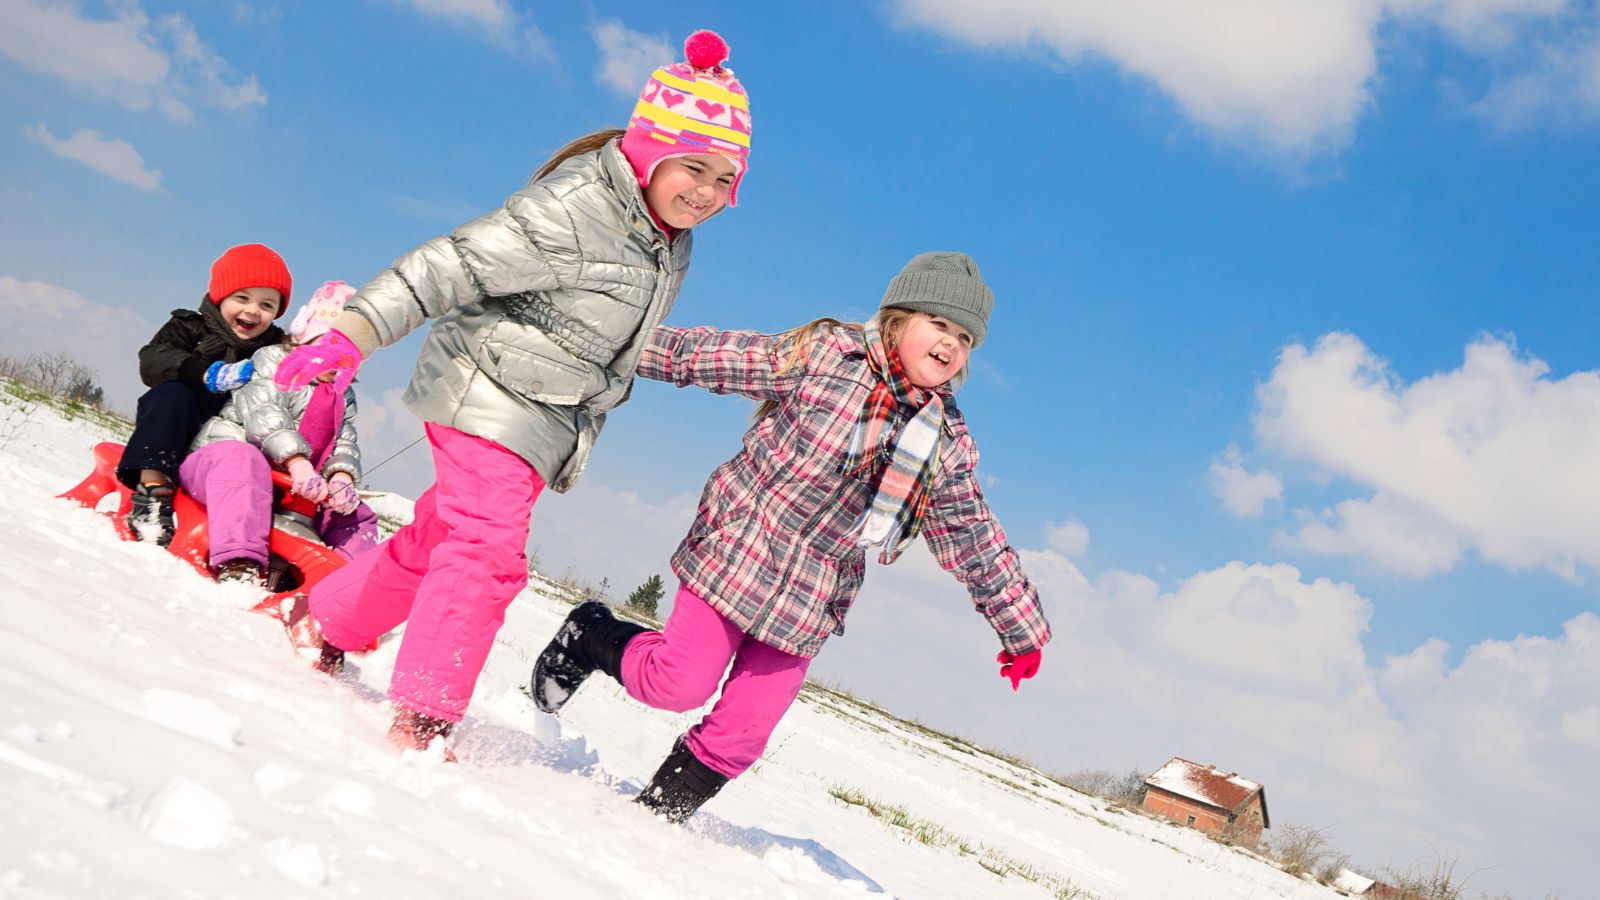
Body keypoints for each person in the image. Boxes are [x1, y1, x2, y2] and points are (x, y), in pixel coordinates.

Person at [273, 31, 754, 753]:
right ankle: (424, 716)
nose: (709, 194)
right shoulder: (576, 207)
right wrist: (354, 331)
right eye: (695, 168)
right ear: (653, 151)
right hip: (487, 386)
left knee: (440, 536)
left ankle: (325, 617)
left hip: (543, 415)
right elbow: (450, 264)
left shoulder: (664, 234)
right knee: (485, 552)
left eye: (725, 179)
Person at [532, 252, 1052, 822]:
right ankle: (587, 632)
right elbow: (714, 357)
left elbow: (971, 533)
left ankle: (652, 823)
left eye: (965, 337)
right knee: (678, 683)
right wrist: (608, 343)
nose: (951, 344)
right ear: (899, 319)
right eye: (939, 324)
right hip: (740, 548)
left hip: (813, 593)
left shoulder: (943, 440)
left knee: (743, 734)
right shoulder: (827, 356)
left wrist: (1019, 627)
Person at [180, 281, 379, 587]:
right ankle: (239, 561)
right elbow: (264, 413)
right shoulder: (274, 361)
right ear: (306, 337)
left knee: (357, 515)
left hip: (287, 486)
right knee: (243, 459)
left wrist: (342, 477)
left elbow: (344, 438)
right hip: (222, 465)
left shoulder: (342, 394)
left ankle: (346, 587)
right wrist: (298, 461)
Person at [119, 244, 292, 545]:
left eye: (267, 305)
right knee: (171, 394)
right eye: (242, 298)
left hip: (226, 446)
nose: (252, 310)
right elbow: (152, 360)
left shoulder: (274, 350)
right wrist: (204, 373)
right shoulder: (190, 327)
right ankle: (153, 493)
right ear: (221, 296)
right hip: (175, 432)